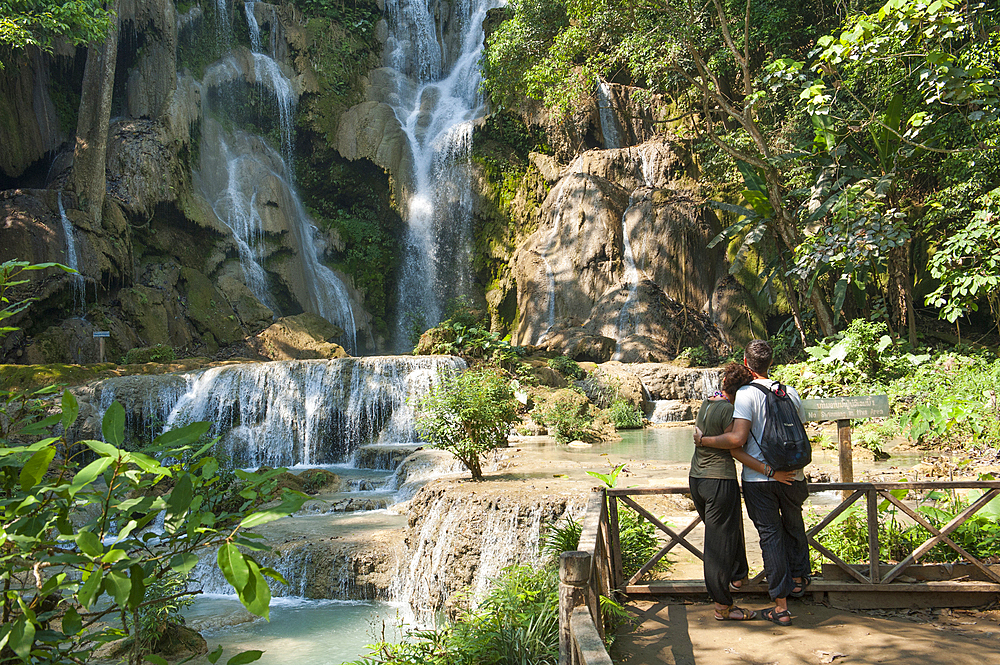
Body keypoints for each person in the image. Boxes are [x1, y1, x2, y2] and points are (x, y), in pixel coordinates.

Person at [693, 340, 809, 626]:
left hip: (759, 477)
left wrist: (704, 439)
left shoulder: (745, 394)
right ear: (771, 362)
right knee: (794, 525)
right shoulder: (789, 392)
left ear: (746, 362)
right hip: (794, 476)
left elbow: (736, 440)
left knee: (770, 535)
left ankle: (780, 607)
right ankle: (797, 580)